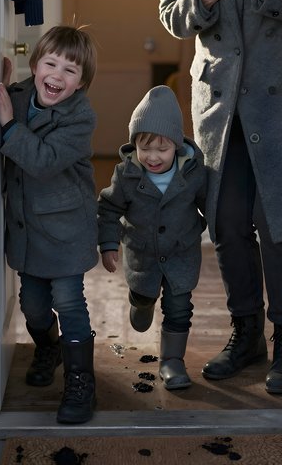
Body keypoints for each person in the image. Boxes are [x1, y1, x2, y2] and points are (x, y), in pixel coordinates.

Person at [159, 0, 282, 395]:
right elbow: (171, 16)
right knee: (228, 221)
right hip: (219, 102)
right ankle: (246, 334)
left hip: (281, 98)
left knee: (278, 221)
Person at [0, 24, 99, 423]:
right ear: (36, 64)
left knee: (69, 303)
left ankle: (80, 381)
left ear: (81, 83)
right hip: (27, 229)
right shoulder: (18, 97)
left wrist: (9, 126)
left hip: (67, 230)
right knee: (33, 307)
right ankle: (48, 347)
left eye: (70, 70)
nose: (57, 75)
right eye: (51, 64)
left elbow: (42, 161)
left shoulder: (80, 118)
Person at [97, 85, 207, 390]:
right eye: (145, 148)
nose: (153, 157)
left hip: (181, 254)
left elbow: (209, 204)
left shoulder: (193, 173)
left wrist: (204, 227)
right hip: (142, 255)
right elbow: (108, 209)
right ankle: (140, 301)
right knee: (145, 294)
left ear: (177, 145)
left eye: (162, 149)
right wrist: (108, 244)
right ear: (134, 144)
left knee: (179, 307)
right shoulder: (126, 174)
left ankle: (172, 361)